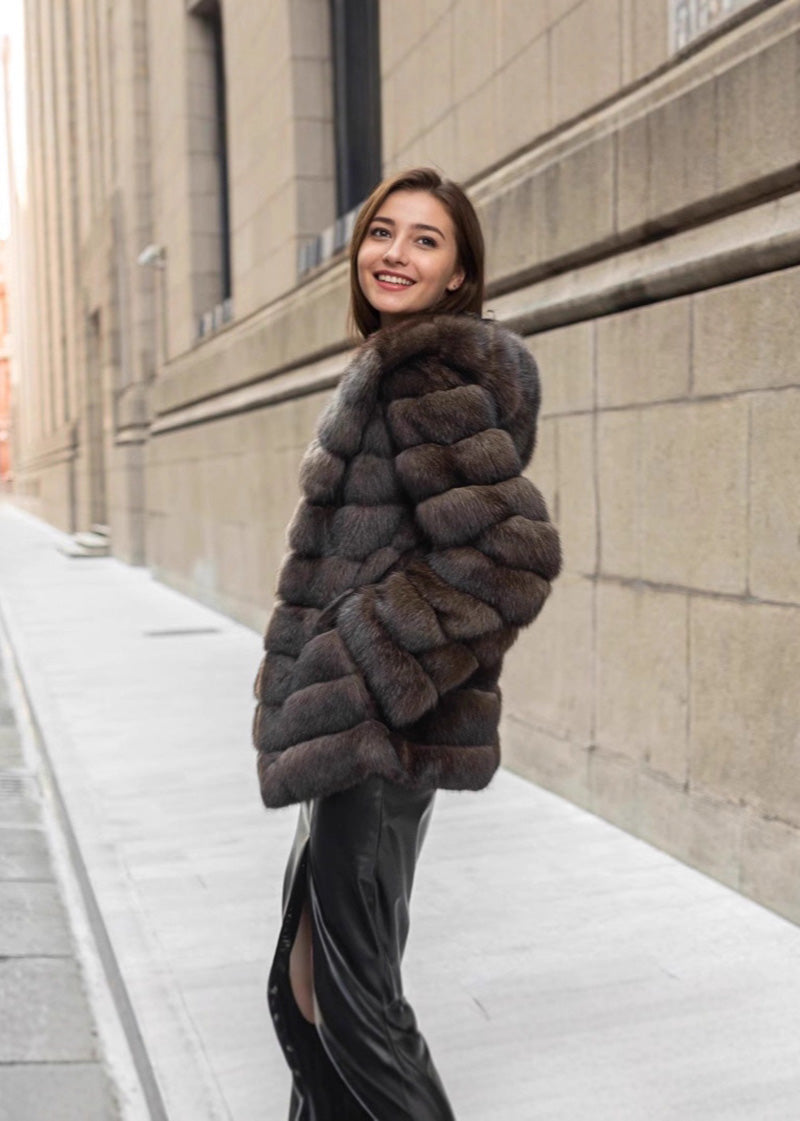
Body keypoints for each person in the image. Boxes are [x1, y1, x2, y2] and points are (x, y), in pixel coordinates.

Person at [252, 167, 562, 1120]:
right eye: (383, 232)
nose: (394, 252)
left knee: (354, 1010)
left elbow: (508, 557)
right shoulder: (393, 364)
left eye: (426, 241)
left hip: (378, 735)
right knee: (307, 991)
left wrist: (363, 660)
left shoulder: (426, 374)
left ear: (459, 275)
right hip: (361, 735)